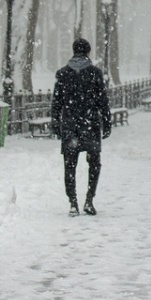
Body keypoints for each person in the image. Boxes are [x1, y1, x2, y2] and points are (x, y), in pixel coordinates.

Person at [51, 38, 112, 217]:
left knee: (70, 165)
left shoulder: (63, 74)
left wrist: (56, 122)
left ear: (73, 51)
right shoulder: (95, 73)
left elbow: (57, 102)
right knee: (94, 163)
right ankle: (89, 200)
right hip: (90, 124)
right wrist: (106, 122)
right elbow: (102, 100)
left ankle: (73, 202)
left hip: (70, 124)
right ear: (88, 52)